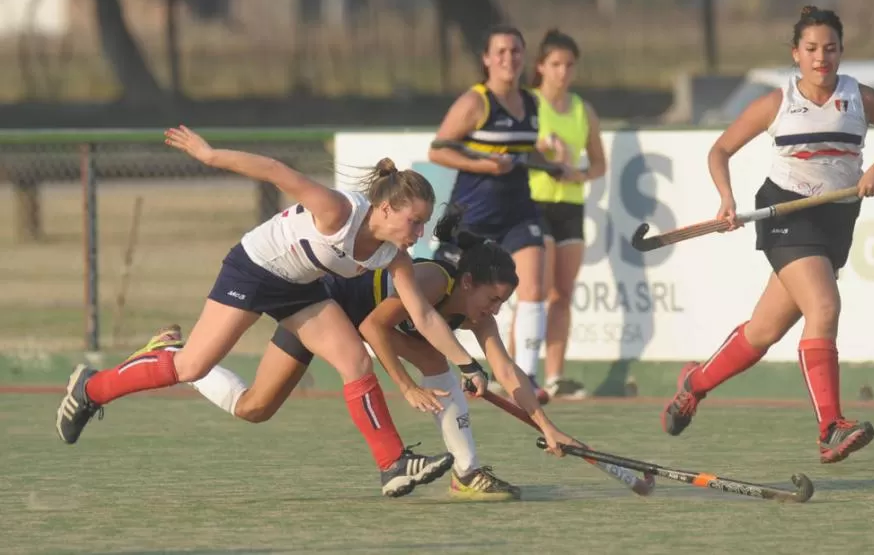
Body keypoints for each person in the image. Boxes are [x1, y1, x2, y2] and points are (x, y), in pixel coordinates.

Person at [54, 125, 491, 498]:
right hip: (253, 271)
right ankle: (91, 390)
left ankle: (393, 464)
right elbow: (274, 170)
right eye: (413, 221)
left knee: (354, 360)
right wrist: (209, 154)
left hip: (300, 287)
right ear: (385, 208)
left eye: (423, 222)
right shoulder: (338, 211)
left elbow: (426, 316)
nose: (418, 232)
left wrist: (468, 364)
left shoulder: (394, 255)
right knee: (191, 366)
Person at [155, 206, 578, 501]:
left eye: (503, 303)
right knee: (432, 360)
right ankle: (466, 473)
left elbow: (507, 371)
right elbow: (372, 327)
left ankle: (177, 354)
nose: (495, 310)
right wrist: (407, 385)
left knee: (254, 408)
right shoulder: (434, 281)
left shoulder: (477, 315)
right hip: (326, 306)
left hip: (357, 325)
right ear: (468, 282)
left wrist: (547, 424)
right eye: (494, 298)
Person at [661, 6, 874, 464]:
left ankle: (694, 385)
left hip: (837, 220)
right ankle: (830, 428)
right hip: (785, 213)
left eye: (831, 48)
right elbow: (720, 149)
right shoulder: (777, 103)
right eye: (812, 49)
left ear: (841, 51)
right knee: (823, 306)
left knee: (762, 332)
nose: (822, 57)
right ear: (795, 53)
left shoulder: (860, 98)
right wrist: (726, 197)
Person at [428, 25, 576, 403]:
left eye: (515, 52)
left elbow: (523, 152)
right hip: (472, 215)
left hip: (518, 210)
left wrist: (550, 164)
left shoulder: (529, 102)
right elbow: (438, 150)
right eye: (501, 52)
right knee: (441, 294)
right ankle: (434, 366)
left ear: (524, 58)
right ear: (487, 59)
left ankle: (526, 375)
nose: (508, 59)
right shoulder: (474, 102)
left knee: (534, 288)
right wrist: (485, 167)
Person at [506, 28, 606, 400]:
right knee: (535, 289)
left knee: (562, 293)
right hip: (533, 202)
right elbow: (511, 151)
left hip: (570, 206)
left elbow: (598, 164)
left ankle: (555, 375)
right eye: (555, 64)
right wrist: (542, 149)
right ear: (541, 67)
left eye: (569, 65)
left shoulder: (583, 110)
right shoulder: (527, 104)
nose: (562, 72)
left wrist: (578, 172)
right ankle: (516, 369)